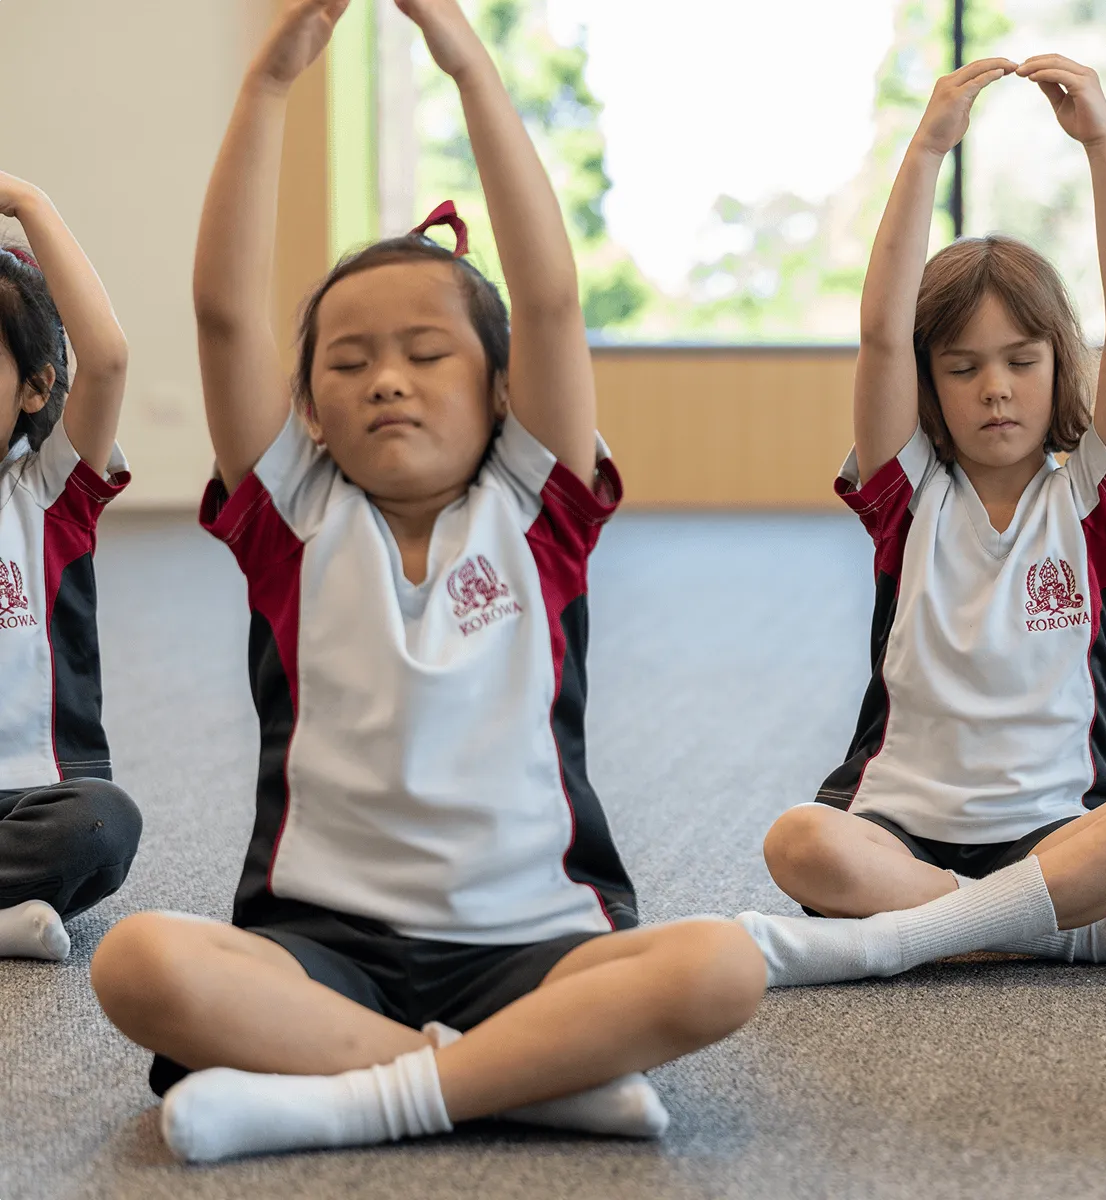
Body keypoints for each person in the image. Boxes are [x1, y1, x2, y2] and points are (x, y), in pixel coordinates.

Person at [87, 0, 763, 1164]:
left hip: (535, 940)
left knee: (722, 967)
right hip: (323, 948)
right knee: (137, 962)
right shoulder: (294, 521)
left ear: (504, 391)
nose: (386, 380)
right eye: (348, 363)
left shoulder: (536, 513)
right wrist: (268, 87)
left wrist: (466, 62)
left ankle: (352, 1098)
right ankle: (524, 1082)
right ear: (307, 408)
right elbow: (222, 311)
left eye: (425, 353)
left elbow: (550, 300)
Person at [736, 55, 1106, 987]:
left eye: (1021, 362)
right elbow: (878, 332)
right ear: (930, 384)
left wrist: (1104, 144)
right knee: (798, 842)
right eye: (961, 368)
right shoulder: (908, 495)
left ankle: (905, 938)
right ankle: (1058, 935)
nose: (995, 389)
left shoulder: (1092, 501)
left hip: (1054, 830)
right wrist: (926, 149)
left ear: (1057, 365)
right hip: (898, 828)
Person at [0, 173, 140, 961]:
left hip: (34, 794)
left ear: (35, 388)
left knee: (103, 823)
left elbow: (110, 358)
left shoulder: (47, 491)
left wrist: (27, 202)